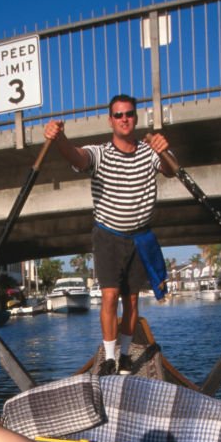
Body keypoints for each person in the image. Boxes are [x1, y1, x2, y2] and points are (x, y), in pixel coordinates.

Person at [44, 95, 174, 375]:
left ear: (136, 118)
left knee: (132, 300)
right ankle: (111, 358)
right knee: (109, 296)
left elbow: (171, 170)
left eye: (129, 114)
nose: (124, 119)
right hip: (108, 236)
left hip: (139, 237)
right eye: (118, 115)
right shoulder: (100, 153)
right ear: (110, 120)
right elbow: (79, 158)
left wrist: (164, 151)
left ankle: (126, 355)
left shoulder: (150, 151)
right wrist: (60, 141)